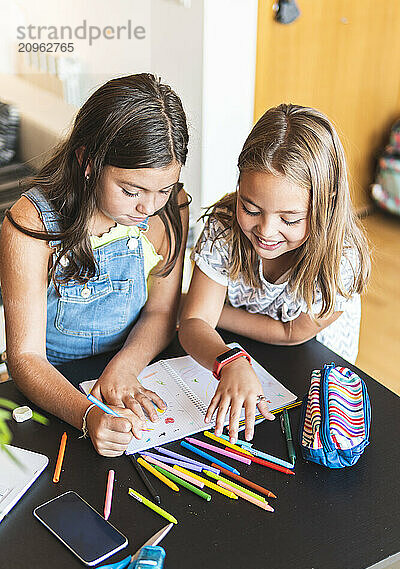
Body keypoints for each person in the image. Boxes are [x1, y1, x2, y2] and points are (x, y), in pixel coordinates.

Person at [0, 73, 189, 456]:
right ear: (88, 161)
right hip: (54, 389)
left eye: (164, 189)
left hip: (136, 367)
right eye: (131, 191)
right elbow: (25, 357)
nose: (148, 207)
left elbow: (161, 311)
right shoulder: (30, 223)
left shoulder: (171, 209)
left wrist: (124, 368)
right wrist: (87, 415)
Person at [179, 103, 370, 445]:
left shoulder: (342, 261)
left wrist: (208, 310)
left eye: (290, 219)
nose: (266, 231)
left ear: (325, 207)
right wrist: (229, 360)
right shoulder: (224, 229)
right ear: (238, 185)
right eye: (250, 208)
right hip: (247, 355)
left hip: (313, 372)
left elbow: (291, 333)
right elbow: (194, 323)